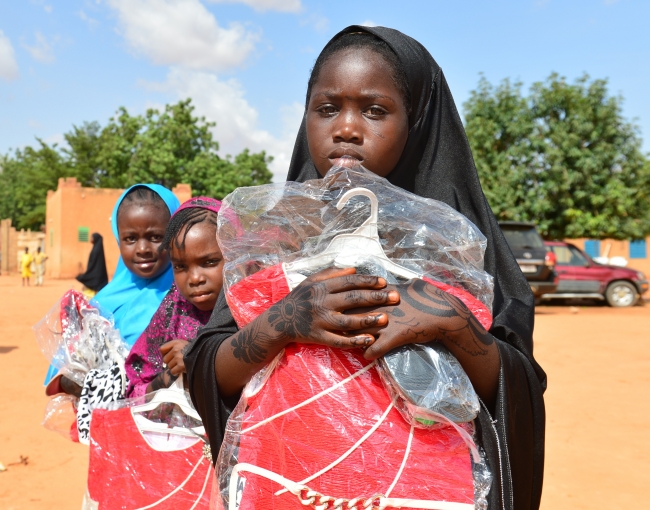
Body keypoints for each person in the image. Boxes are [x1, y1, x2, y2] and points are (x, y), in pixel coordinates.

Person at [185, 26, 546, 510]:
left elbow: (519, 395)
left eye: (375, 110)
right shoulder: (277, 244)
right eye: (328, 108)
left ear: (416, 120)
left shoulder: (463, 250)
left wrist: (455, 326)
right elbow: (208, 371)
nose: (347, 128)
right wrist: (283, 321)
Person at [46, 184, 180, 396]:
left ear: (174, 235)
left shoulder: (190, 298)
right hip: (105, 422)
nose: (143, 249)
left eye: (156, 237)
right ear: (119, 239)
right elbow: (62, 377)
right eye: (130, 238)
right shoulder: (100, 305)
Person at [124, 197, 223, 398]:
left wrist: (200, 359)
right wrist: (171, 377)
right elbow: (136, 389)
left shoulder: (254, 313)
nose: (195, 278)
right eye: (180, 267)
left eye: (210, 262)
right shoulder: (171, 315)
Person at [75, 233, 109, 299]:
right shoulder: (96, 249)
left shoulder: (96, 250)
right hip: (95, 275)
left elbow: (93, 265)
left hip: (95, 275)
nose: (90, 239)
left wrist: (86, 275)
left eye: (92, 237)